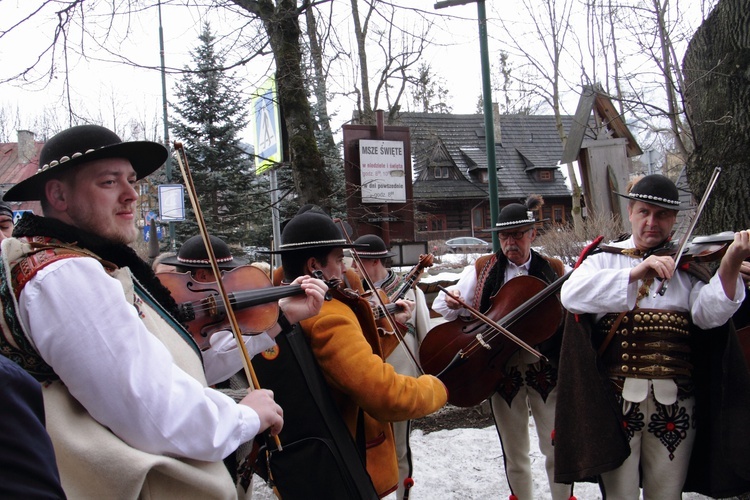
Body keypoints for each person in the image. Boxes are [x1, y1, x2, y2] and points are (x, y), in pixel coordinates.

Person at [0, 124, 327, 498]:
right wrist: (245, 415)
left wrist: (278, 318)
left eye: (131, 181)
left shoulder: (65, 259)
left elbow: (176, 366)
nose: (131, 195)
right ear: (58, 194)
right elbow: (150, 409)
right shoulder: (64, 273)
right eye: (109, 182)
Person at [557, 173, 750, 498]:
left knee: (667, 494)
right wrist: (635, 273)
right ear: (630, 211)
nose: (651, 222)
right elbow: (571, 294)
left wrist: (729, 266)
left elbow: (708, 316)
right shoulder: (605, 258)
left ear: (674, 219)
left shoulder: (687, 266)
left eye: (662, 215)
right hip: (616, 407)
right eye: (644, 212)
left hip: (675, 408)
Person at [271, 211, 448, 497]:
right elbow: (382, 393)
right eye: (339, 260)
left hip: (310, 457)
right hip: (344, 460)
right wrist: (436, 388)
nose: (344, 270)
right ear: (314, 265)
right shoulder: (328, 316)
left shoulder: (281, 306)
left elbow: (346, 365)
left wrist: (396, 327)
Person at [432, 195, 573, 500]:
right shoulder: (484, 268)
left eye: (518, 234)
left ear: (532, 233)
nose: (511, 242)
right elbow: (443, 306)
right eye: (505, 236)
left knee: (555, 446)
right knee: (515, 452)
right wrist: (455, 297)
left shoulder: (553, 268)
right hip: (500, 369)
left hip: (543, 367)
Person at [351, 234, 431, 500]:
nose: (352, 266)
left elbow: (424, 333)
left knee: (399, 446)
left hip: (400, 378)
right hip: (364, 378)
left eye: (357, 260)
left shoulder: (410, 290)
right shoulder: (351, 292)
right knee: (366, 445)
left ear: (373, 261)